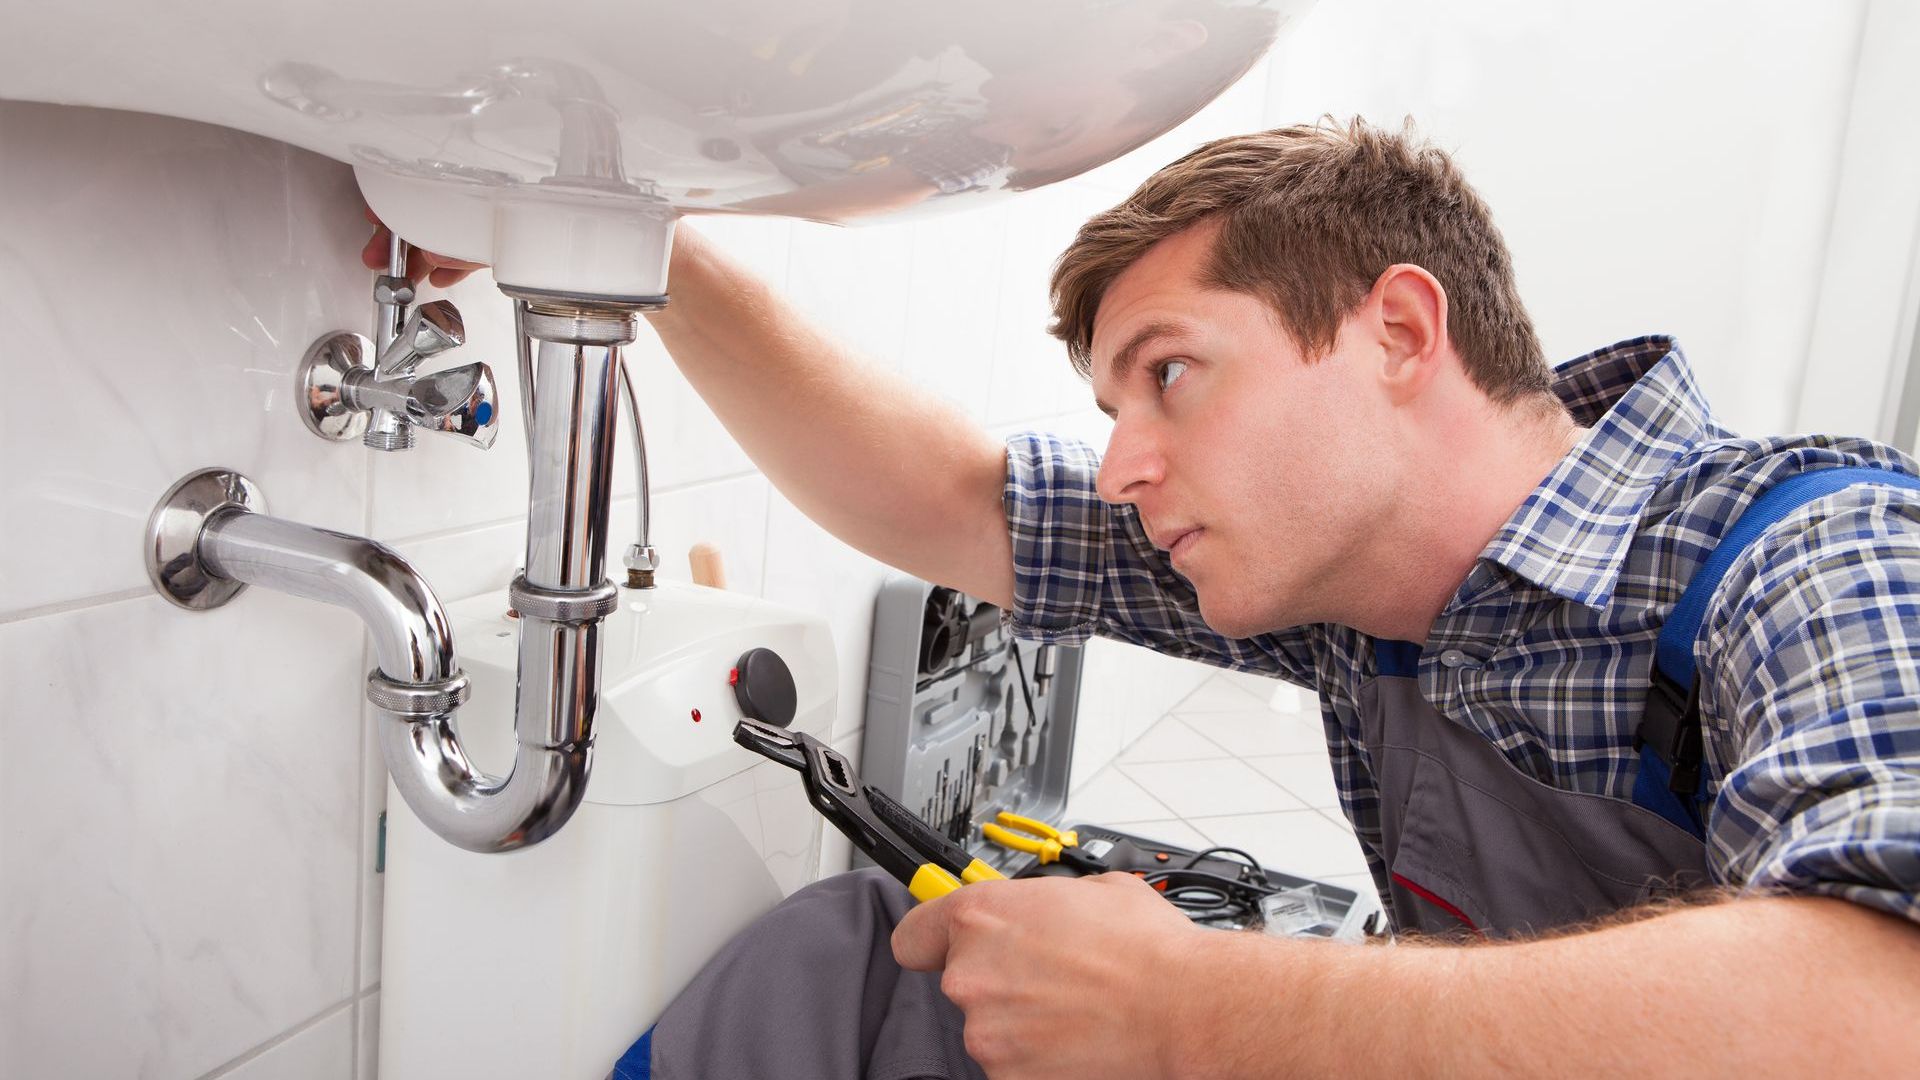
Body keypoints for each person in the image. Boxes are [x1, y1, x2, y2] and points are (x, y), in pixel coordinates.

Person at [368, 118, 1920, 1077]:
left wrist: (1205, 1011)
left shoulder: (1818, 555)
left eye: (1170, 376)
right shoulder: (1352, 595)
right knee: (865, 962)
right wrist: (622, 243)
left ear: (1396, 330)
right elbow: (960, 500)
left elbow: (1877, 1021)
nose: (1123, 465)